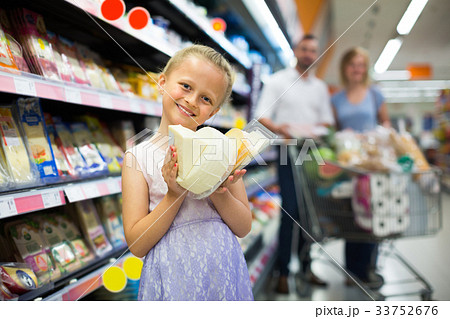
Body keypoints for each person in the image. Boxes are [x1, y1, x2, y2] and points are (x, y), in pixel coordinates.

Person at [122, 45, 254, 300]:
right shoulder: (137, 158)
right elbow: (137, 245)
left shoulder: (223, 151)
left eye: (206, 99)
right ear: (162, 82)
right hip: (172, 278)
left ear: (214, 112)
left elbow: (244, 226)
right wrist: (174, 195)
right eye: (185, 86)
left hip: (223, 274)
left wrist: (217, 189)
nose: (192, 100)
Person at [255, 34, 335, 294]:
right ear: (295, 50)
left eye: (313, 50)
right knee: (290, 210)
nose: (309, 54)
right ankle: (282, 272)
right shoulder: (278, 81)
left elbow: (327, 122)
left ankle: (306, 266)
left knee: (309, 213)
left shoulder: (320, 88)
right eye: (305, 49)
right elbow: (261, 115)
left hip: (311, 153)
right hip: (287, 151)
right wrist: (281, 128)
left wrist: (314, 130)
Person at [331, 47, 391, 288]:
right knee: (351, 216)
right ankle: (352, 271)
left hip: (372, 164)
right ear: (345, 68)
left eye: (361, 65)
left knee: (371, 215)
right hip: (348, 165)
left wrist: (376, 136)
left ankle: (368, 268)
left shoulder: (375, 94)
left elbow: (385, 122)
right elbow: (334, 131)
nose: (357, 69)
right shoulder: (336, 98)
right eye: (352, 64)